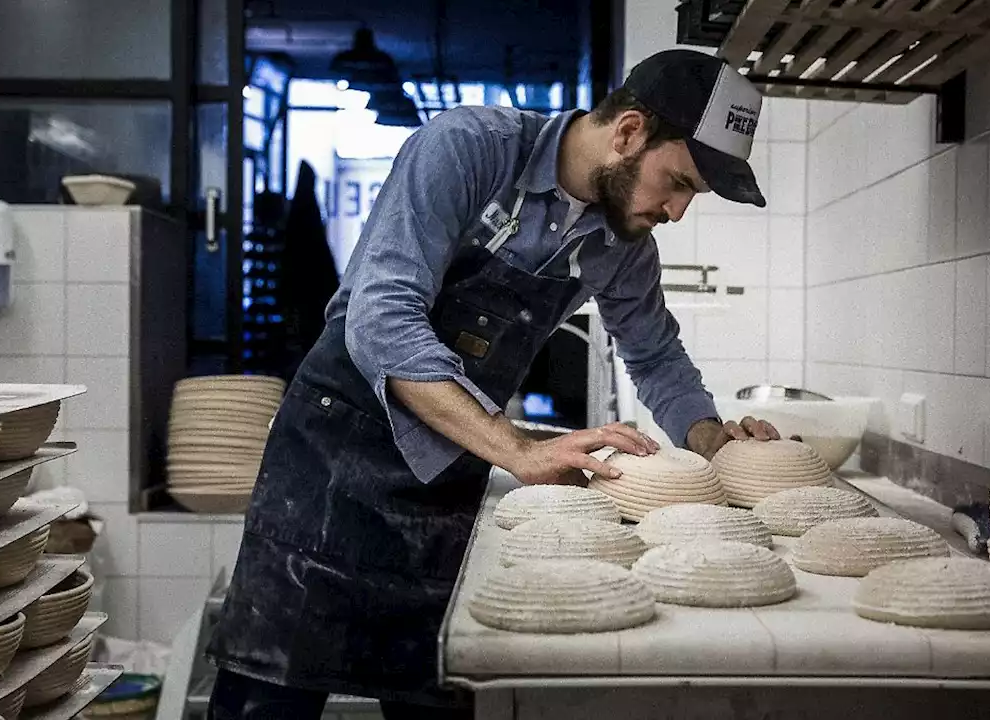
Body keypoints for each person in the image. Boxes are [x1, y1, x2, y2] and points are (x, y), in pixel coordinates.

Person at [205, 48, 781, 719]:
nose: (677, 211)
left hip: (447, 470)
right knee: (268, 697)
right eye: (677, 182)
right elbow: (381, 317)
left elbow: (656, 356)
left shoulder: (620, 248)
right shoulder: (469, 149)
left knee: (435, 692)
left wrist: (720, 447)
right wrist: (516, 449)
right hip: (332, 457)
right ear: (627, 132)